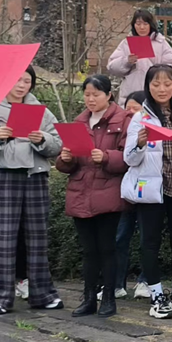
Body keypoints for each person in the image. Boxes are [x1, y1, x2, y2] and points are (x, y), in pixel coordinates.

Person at [0, 66, 65, 315]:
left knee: (38, 237)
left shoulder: (41, 111)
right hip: (2, 175)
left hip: (35, 176)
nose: (22, 85)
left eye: (27, 81)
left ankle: (43, 294)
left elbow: (58, 143)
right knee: (2, 239)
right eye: (17, 80)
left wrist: (42, 140)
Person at [123, 64, 172, 319]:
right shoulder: (140, 118)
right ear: (148, 86)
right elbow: (129, 159)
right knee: (150, 243)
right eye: (156, 84)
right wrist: (140, 143)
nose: (162, 89)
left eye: (167, 83)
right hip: (152, 190)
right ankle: (156, 295)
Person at [54, 75, 130, 317]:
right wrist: (65, 159)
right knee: (88, 250)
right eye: (87, 94)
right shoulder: (79, 121)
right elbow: (66, 164)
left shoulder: (122, 119)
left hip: (108, 191)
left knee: (107, 248)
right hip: (81, 191)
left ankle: (108, 298)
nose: (90, 99)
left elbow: (129, 156)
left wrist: (106, 157)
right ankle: (88, 298)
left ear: (108, 95)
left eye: (96, 94)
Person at [107, 9, 172, 105]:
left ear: (151, 25)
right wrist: (126, 61)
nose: (142, 27)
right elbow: (111, 67)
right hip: (131, 95)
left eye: (145, 24)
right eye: (138, 24)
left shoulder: (161, 43)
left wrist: (159, 73)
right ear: (133, 25)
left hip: (156, 94)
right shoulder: (126, 44)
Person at [118, 91, 148, 299]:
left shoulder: (150, 124)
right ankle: (116, 283)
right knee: (120, 237)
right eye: (127, 108)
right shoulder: (119, 126)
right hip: (126, 189)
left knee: (148, 238)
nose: (130, 112)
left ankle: (145, 280)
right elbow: (124, 157)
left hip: (148, 188)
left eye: (135, 108)